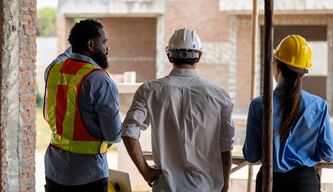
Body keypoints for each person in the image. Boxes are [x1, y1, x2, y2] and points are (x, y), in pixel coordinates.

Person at [121, 28, 235, 192]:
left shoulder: (149, 91)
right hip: (208, 187)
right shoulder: (219, 96)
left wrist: (145, 171)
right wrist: (226, 184)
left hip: (166, 186)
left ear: (169, 56)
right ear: (199, 57)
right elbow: (225, 144)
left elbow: (128, 132)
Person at [243, 35, 333, 192]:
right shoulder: (318, 105)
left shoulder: (259, 105)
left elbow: (251, 155)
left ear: (277, 67)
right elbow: (328, 153)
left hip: (269, 183)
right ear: (303, 73)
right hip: (305, 184)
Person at [43, 19, 122, 192]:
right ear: (91, 44)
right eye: (104, 42)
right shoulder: (100, 80)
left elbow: (66, 55)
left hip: (54, 169)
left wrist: (77, 41)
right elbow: (114, 134)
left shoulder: (53, 70)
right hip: (88, 174)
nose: (106, 48)